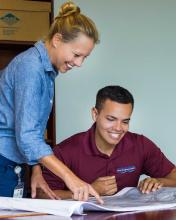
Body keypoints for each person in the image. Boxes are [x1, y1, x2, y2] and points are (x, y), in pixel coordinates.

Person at [0, 1, 103, 203]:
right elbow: (27, 136)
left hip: (14, 164)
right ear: (57, 40)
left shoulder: (45, 71)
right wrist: (70, 177)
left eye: (85, 57)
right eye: (76, 54)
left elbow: (30, 127)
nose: (79, 63)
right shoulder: (30, 68)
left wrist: (36, 169)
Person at [38, 85, 176, 199]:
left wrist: (160, 182)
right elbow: (42, 195)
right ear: (95, 114)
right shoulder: (65, 150)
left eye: (125, 121)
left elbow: (173, 176)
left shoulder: (141, 145)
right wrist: (90, 191)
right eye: (111, 119)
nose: (118, 128)